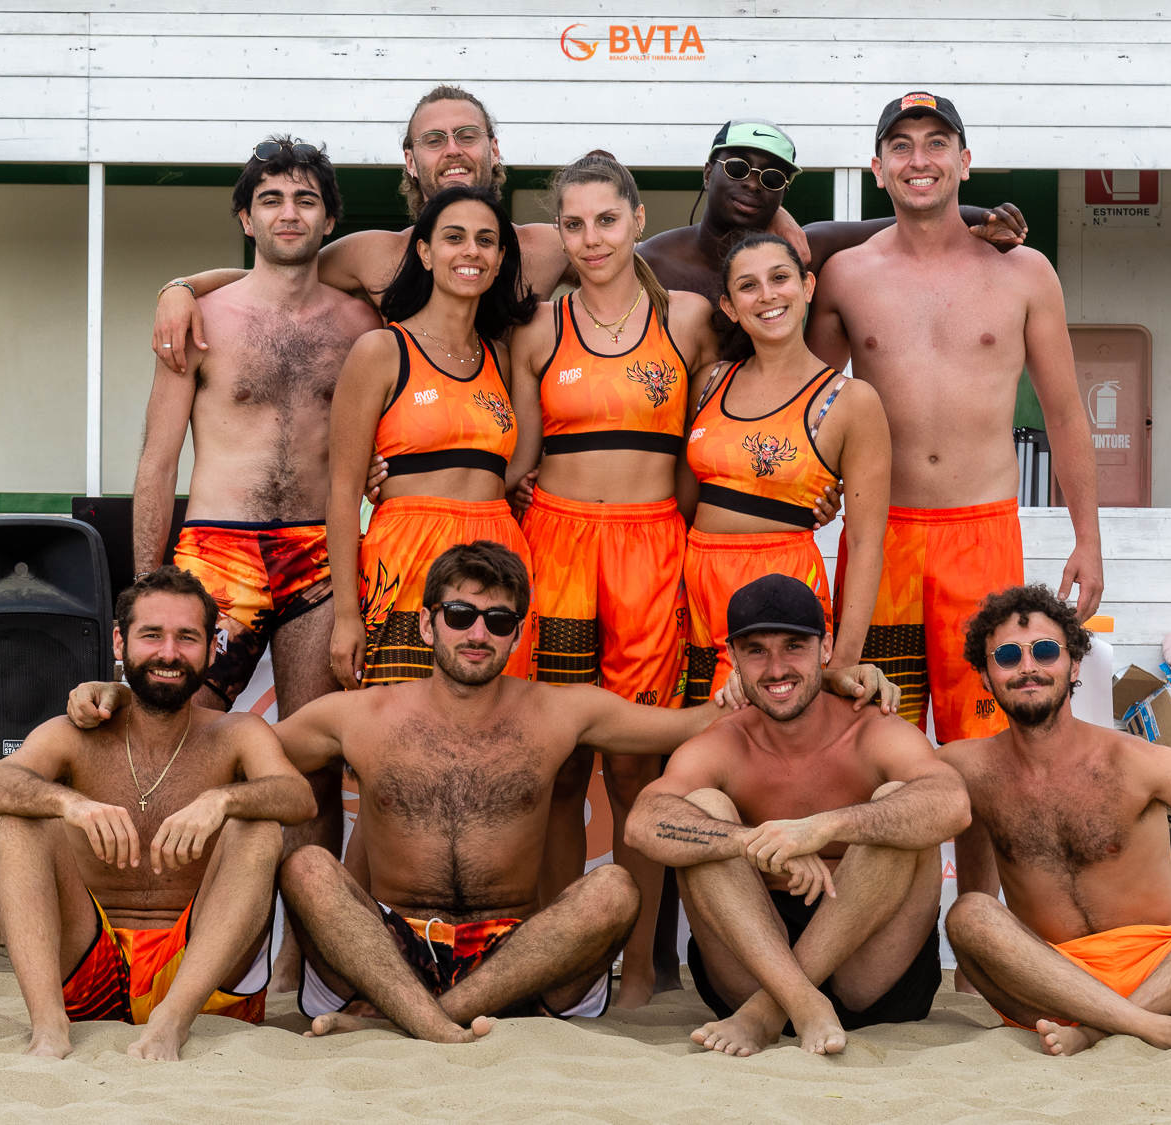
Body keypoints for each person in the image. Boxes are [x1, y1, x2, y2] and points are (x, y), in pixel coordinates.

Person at [69, 544, 888, 1040]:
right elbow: (218, 750)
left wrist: (792, 682)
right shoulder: (355, 716)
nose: (477, 633)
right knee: (308, 869)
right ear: (427, 625)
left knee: (609, 888)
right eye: (460, 614)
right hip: (382, 944)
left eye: (498, 621)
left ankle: (429, 1016)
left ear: (518, 634)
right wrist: (113, 698)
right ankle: (428, 1012)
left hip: (513, 950)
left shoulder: (560, 711)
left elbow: (685, 723)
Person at [807, 91, 1104, 744]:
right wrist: (813, 485)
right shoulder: (846, 276)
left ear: (965, 161)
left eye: (937, 143)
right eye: (902, 145)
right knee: (878, 740)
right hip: (880, 538)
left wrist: (1089, 537)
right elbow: (808, 406)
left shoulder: (1024, 272)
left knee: (990, 746)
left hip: (983, 537)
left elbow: (1063, 412)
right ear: (878, 167)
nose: (921, 159)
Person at [504, 150, 726, 1008]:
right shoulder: (538, 329)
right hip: (556, 549)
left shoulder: (692, 321)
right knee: (560, 766)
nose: (590, 238)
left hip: (653, 551)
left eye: (605, 219)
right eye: (573, 223)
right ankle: (565, 961)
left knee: (638, 771)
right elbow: (520, 455)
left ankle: (637, 971)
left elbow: (718, 437)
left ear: (638, 219)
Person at [939, 584, 1171, 1058]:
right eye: (1007, 656)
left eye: (1045, 651)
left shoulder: (1138, 761)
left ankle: (1102, 1030)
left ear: (1074, 665)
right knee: (968, 915)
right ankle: (1146, 1025)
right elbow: (896, 790)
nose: (1028, 667)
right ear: (986, 676)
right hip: (1051, 983)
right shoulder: (967, 767)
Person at [0, 568, 316, 1061]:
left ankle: (170, 1024)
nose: (169, 654)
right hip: (89, 965)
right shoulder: (76, 731)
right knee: (23, 818)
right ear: (120, 640)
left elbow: (298, 798)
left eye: (187, 638)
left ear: (212, 649)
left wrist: (221, 800)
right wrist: (70, 803)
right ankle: (48, 1028)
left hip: (203, 981)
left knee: (256, 827)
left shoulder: (238, 732)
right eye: (151, 635)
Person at [627, 574, 970, 1056]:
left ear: (825, 648)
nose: (776, 668)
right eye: (756, 650)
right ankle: (797, 1001)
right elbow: (644, 822)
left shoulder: (872, 730)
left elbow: (952, 804)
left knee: (898, 801)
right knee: (704, 812)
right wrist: (759, 844)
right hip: (751, 958)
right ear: (733, 658)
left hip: (869, 973)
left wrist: (823, 828)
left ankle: (769, 1012)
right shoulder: (726, 741)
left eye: (793, 646)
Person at [134, 137, 380, 716]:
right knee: (178, 732)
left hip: (320, 553)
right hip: (218, 548)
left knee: (313, 753)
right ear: (247, 219)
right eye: (270, 200)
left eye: (305, 199)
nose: (288, 213)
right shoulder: (202, 321)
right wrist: (147, 589)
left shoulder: (362, 326)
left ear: (329, 219)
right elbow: (157, 460)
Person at [148, 87, 573, 374]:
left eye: (466, 136)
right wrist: (182, 288)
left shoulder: (549, 246)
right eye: (433, 140)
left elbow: (627, 273)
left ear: (493, 149)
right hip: (421, 477)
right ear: (410, 160)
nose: (452, 151)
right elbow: (274, 278)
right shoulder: (373, 256)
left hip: (526, 483)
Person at [327, 184, 538, 689]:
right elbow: (340, 492)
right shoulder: (381, 350)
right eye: (454, 237)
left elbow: (510, 462)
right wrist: (345, 616)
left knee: (498, 730)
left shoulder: (501, 358)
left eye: (486, 240)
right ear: (424, 251)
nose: (471, 251)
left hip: (499, 553)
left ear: (500, 257)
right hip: (404, 557)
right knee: (394, 731)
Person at [683, 232, 891, 705]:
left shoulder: (850, 401)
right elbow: (681, 498)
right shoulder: (708, 381)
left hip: (783, 587)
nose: (768, 295)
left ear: (808, 286)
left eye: (780, 278)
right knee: (700, 744)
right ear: (730, 306)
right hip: (696, 591)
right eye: (748, 286)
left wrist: (842, 663)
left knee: (771, 750)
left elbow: (864, 541)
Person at [639, 118, 1026, 304]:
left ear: (784, 193)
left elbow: (898, 223)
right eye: (738, 168)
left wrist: (979, 217)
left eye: (772, 178)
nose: (754, 183)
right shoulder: (653, 262)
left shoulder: (798, 251)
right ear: (708, 173)